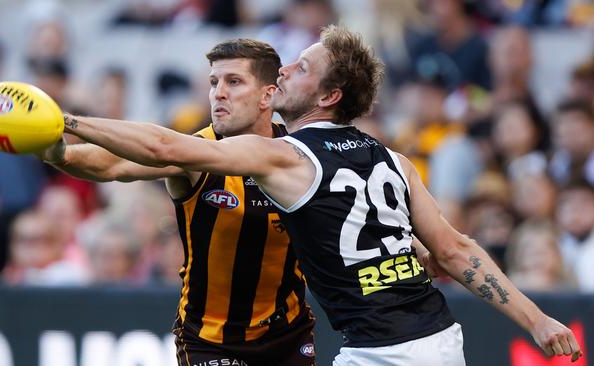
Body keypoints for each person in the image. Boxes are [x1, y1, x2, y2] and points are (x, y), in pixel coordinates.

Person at [43, 26, 582, 365]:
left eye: (300, 68)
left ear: (327, 95)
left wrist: (63, 119)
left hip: (374, 349)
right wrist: (538, 320)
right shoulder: (393, 160)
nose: (284, 71)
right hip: (438, 339)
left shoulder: (285, 156)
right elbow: (453, 251)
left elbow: (162, 145)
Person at [41, 39, 316, 366]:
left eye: (234, 82)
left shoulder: (298, 153)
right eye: (214, 82)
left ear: (268, 95)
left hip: (288, 336)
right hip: (211, 341)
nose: (219, 94)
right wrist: (63, 153)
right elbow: (113, 164)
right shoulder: (194, 152)